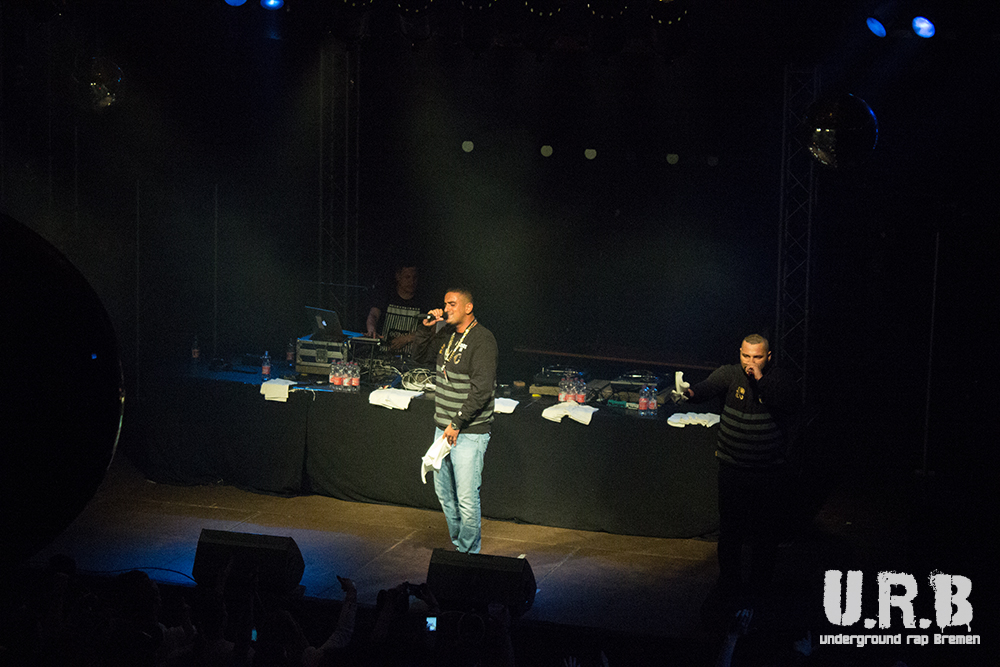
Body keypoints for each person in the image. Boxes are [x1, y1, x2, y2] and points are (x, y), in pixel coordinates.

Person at [679, 333, 801, 608]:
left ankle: (759, 587)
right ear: (740, 353)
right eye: (746, 356)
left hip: (767, 472)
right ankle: (729, 582)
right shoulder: (730, 374)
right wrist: (689, 393)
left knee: (764, 534)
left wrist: (760, 378)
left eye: (757, 357)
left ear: (768, 357)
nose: (750, 362)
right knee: (730, 532)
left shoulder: (779, 378)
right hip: (733, 468)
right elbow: (707, 387)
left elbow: (787, 401)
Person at [412, 289, 498, 554]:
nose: (446, 308)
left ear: (468, 307)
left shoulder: (483, 340)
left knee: (466, 498)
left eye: (452, 304)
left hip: (468, 431)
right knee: (445, 495)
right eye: (444, 304)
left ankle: (469, 555)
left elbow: (482, 390)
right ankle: (461, 546)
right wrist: (426, 329)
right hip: (443, 429)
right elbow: (419, 357)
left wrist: (457, 423)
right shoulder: (446, 334)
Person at [366, 263, 422, 354]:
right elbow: (374, 315)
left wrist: (407, 338)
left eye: (414, 277)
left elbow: (431, 330)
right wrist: (371, 329)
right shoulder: (386, 295)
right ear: (398, 277)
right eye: (407, 277)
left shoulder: (423, 300)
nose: (412, 281)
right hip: (383, 353)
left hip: (411, 357)